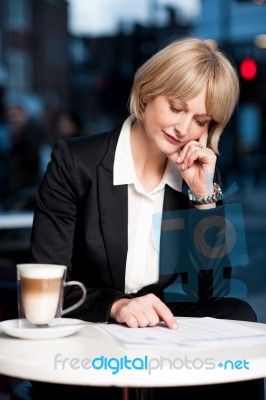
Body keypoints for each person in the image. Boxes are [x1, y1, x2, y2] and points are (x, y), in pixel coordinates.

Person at [27, 37, 264, 399]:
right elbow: (49, 282)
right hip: (92, 316)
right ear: (148, 92)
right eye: (175, 107)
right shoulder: (76, 163)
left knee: (238, 312)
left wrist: (202, 198)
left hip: (158, 319)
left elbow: (212, 293)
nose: (183, 128)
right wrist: (117, 305)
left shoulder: (196, 173)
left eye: (200, 119)